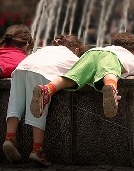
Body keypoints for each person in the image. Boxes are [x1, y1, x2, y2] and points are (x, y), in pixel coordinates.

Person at [2, 35, 86, 167]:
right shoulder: (72, 57)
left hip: (21, 68)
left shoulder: (44, 50)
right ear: (76, 49)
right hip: (40, 71)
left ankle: (10, 138)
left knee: (15, 101)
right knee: (40, 104)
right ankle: (37, 150)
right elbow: (79, 75)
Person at [30, 31, 134, 120]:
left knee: (71, 78)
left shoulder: (106, 48)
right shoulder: (129, 56)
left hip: (91, 53)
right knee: (110, 72)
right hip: (109, 58)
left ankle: (47, 89)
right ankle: (111, 88)